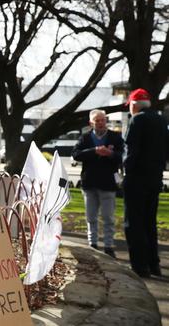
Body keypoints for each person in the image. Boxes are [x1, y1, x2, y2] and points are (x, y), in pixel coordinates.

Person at [123, 88, 167, 278]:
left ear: (134, 104)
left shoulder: (137, 120)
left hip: (136, 179)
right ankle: (153, 263)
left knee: (133, 223)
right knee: (149, 222)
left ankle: (140, 266)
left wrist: (125, 170)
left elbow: (131, 151)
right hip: (154, 178)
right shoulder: (161, 120)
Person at [71, 109, 124, 258]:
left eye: (103, 120)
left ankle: (108, 245)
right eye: (97, 121)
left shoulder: (115, 137)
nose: (101, 123)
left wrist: (110, 154)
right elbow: (76, 154)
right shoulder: (85, 138)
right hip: (90, 183)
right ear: (91, 123)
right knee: (91, 217)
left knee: (108, 218)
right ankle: (92, 244)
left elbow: (123, 155)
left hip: (108, 183)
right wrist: (94, 151)